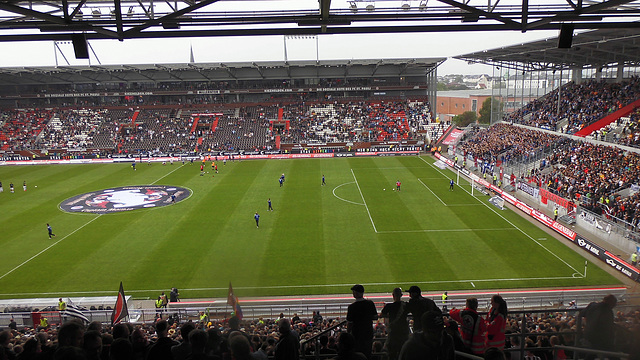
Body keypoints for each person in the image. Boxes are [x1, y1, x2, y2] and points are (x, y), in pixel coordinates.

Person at [346, 284, 378, 359]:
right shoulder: (370, 303)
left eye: (354, 292)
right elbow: (375, 317)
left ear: (357, 293)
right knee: (367, 353)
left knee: (358, 354)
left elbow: (350, 323)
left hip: (357, 335)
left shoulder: (352, 307)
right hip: (368, 333)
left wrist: (348, 334)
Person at [380, 287, 410, 360]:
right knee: (403, 350)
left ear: (393, 295)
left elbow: (381, 315)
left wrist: (388, 316)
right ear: (401, 295)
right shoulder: (406, 305)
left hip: (393, 331)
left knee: (392, 351)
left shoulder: (389, 306)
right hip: (404, 330)